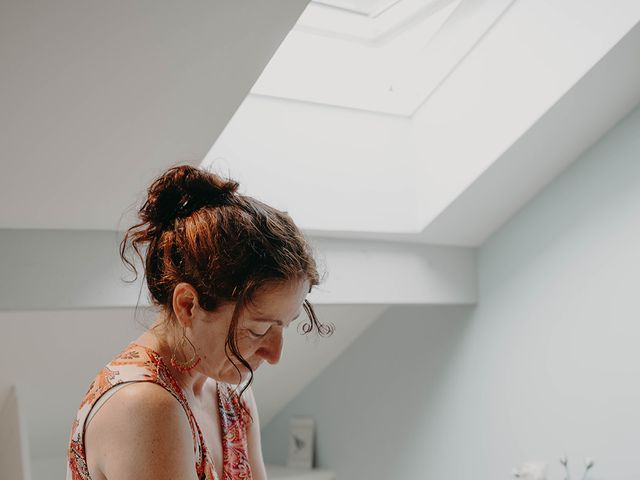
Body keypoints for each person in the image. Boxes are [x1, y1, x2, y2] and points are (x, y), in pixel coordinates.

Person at [67, 165, 332, 480]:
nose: (274, 354)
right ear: (187, 305)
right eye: (258, 329)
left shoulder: (232, 395)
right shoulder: (145, 406)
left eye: (283, 326)